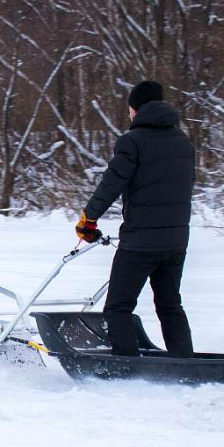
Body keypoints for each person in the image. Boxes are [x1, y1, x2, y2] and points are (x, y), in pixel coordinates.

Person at [75, 80, 195, 358]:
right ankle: (185, 362)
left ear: (136, 109)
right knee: (170, 305)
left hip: (140, 242)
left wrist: (88, 219)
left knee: (118, 306)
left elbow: (111, 184)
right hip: (176, 241)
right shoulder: (183, 141)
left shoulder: (132, 142)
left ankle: (126, 366)